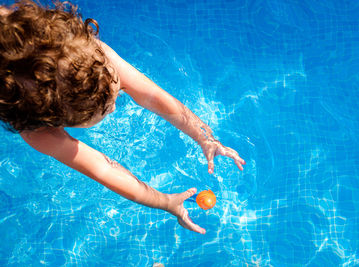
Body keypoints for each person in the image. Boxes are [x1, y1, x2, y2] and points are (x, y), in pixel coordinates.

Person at [0, 1, 245, 234]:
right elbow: (105, 170)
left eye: (118, 91)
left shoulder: (93, 55)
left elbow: (152, 95)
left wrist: (204, 137)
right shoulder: (39, 133)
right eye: (106, 109)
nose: (115, 108)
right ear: (60, 122)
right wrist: (166, 202)